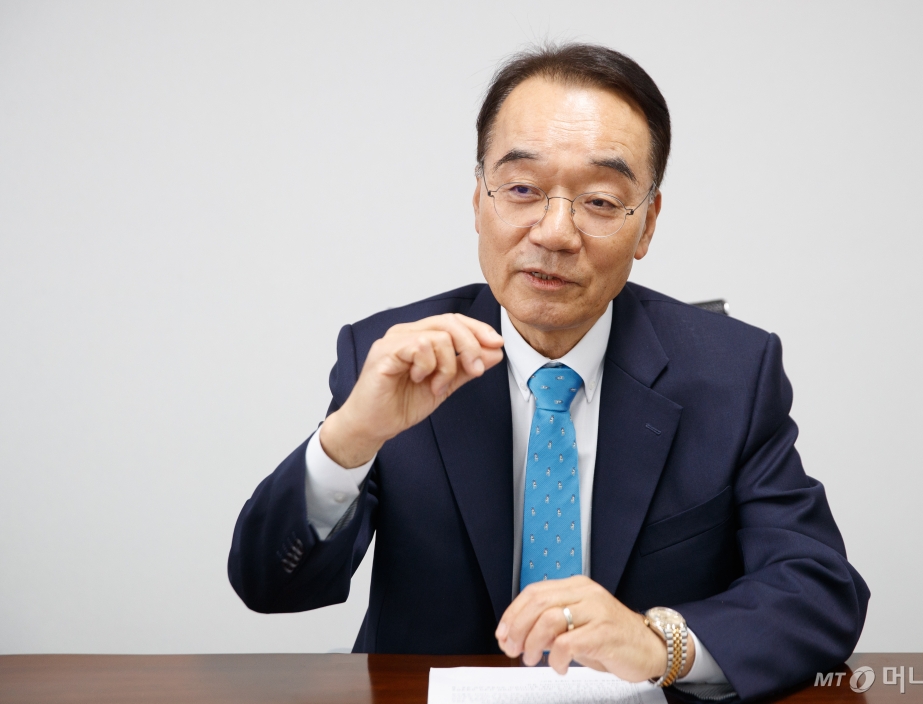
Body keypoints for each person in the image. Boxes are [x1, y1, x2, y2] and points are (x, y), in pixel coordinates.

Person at [228, 43, 869, 702]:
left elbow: (818, 591)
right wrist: (350, 439)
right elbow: (269, 585)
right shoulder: (391, 359)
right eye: (522, 189)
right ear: (478, 201)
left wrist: (660, 642)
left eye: (600, 201)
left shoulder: (731, 373)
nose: (555, 232)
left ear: (647, 225)